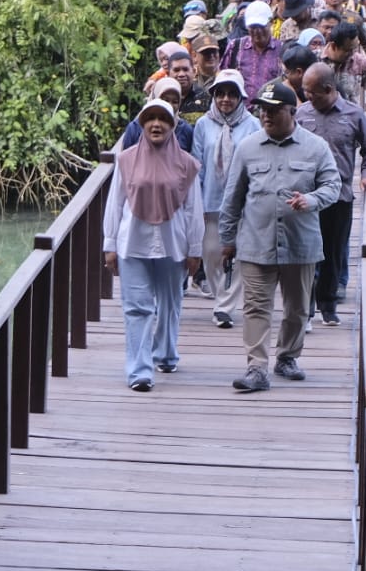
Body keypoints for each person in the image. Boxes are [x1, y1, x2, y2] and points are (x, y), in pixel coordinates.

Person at [218, 82, 341, 393]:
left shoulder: (316, 147)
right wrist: (227, 240)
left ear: (291, 111)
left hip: (301, 244)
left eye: (273, 110)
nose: (266, 116)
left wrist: (311, 200)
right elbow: (232, 198)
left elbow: (332, 185)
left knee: (297, 308)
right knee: (256, 307)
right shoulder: (247, 148)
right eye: (262, 110)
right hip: (256, 243)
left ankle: (287, 357)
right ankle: (256, 368)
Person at [103, 98, 204, 392]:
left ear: (173, 125)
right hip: (133, 243)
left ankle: (166, 353)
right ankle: (139, 371)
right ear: (142, 124)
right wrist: (110, 244)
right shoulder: (126, 160)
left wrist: (194, 249)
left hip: (173, 244)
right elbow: (115, 203)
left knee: (171, 302)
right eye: (150, 118)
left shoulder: (186, 164)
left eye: (163, 119)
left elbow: (193, 209)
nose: (156, 124)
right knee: (137, 309)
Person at [296, 63, 366, 327]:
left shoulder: (354, 115)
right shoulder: (302, 114)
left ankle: (328, 305)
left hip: (340, 195)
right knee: (308, 253)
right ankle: (306, 308)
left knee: (333, 252)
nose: (307, 96)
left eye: (312, 91)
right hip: (307, 196)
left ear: (329, 89)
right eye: (305, 91)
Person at [191, 69, 262, 329]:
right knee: (210, 252)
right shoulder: (203, 124)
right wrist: (195, 201)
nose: (225, 99)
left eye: (232, 94)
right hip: (210, 197)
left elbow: (256, 162)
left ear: (241, 97)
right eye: (220, 93)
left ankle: (224, 306)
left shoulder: (252, 125)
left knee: (239, 255)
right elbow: (197, 163)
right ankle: (219, 293)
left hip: (242, 201)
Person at [222, 1, 283, 109]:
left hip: (271, 113)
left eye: (261, 26)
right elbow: (223, 78)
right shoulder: (235, 47)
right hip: (239, 113)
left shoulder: (281, 49)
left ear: (270, 23)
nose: (257, 31)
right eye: (253, 27)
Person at [121, 77, 195, 151]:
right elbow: (125, 159)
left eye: (175, 101)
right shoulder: (136, 128)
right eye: (165, 100)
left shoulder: (185, 130)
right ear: (155, 98)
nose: (170, 105)